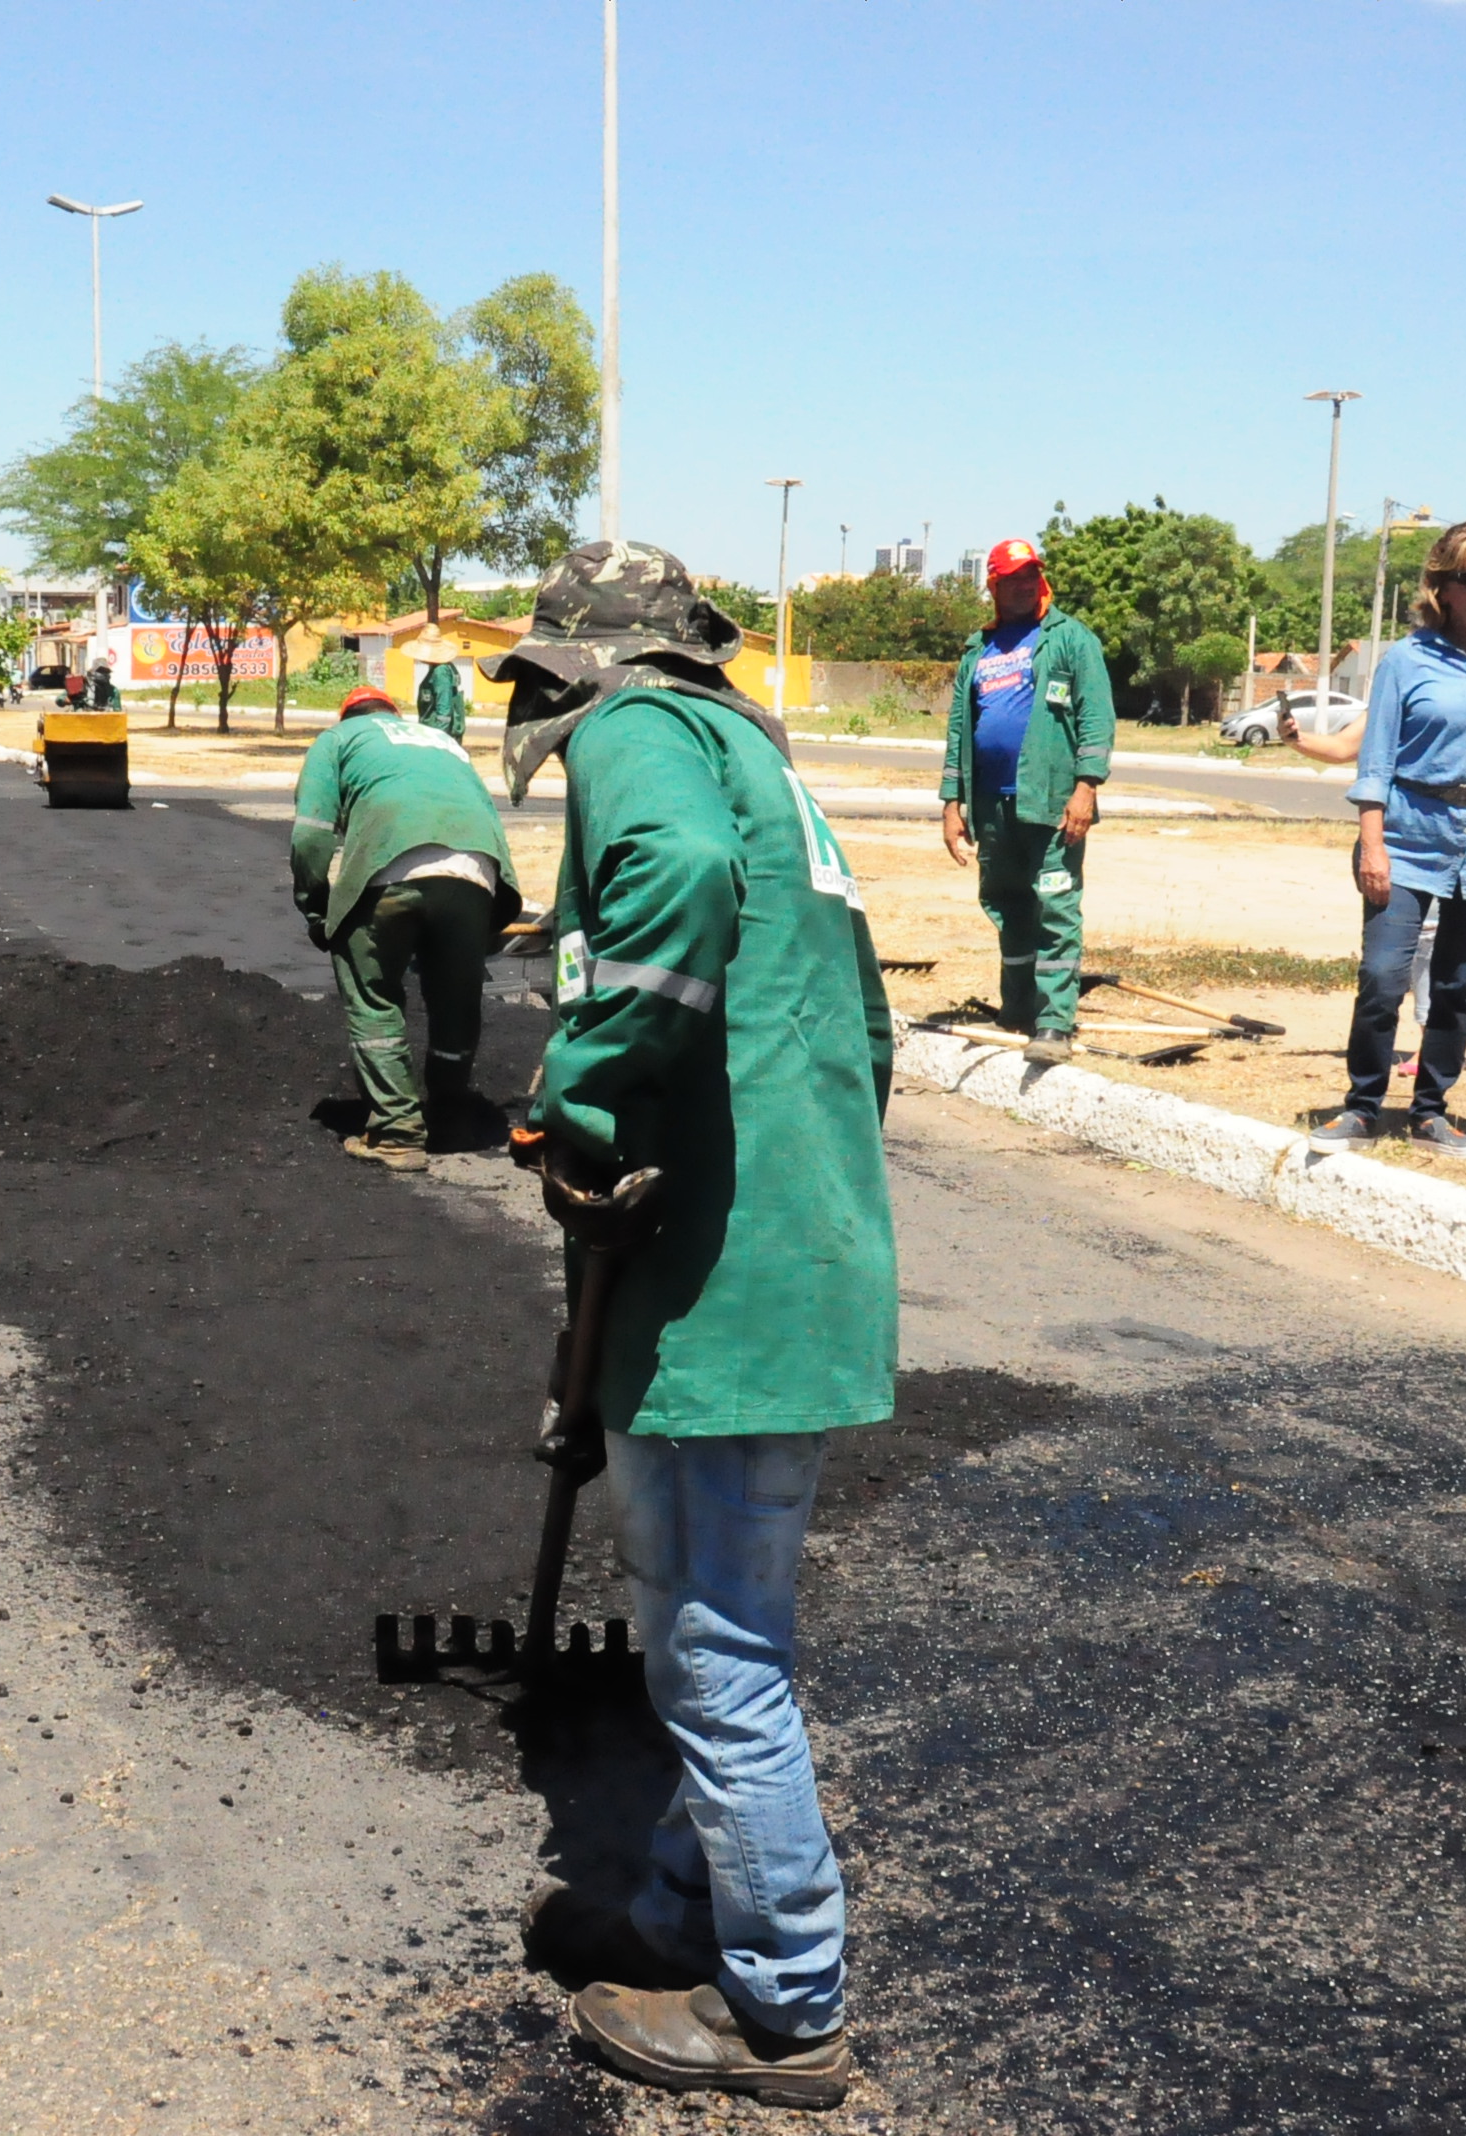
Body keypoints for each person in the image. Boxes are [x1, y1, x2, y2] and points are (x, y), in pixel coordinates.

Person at [486, 540, 890, 2109]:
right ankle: (673, 1913)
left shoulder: (641, 732)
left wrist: (583, 1101)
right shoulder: (755, 756)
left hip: (726, 1279)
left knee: (719, 1655)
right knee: (706, 1632)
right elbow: (857, 1018)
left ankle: (785, 2006)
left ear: (583, 664)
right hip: (783, 1252)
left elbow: (675, 886)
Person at [1303, 522, 1466, 1157]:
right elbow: (1376, 763)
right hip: (1410, 838)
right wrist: (1373, 845)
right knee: (1382, 978)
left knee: (1457, 985)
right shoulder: (1406, 660)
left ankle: (1431, 1111)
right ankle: (1362, 1106)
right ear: (1441, 587)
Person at [289, 683, 518, 1170]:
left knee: (373, 994)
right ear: (394, 712)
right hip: (476, 871)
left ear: (347, 714)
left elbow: (310, 836)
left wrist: (316, 909)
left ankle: (397, 1131)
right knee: (456, 999)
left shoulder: (339, 739)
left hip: (388, 867)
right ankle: (451, 1117)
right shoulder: (443, 742)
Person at [1283, 704, 1466, 1082]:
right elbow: (1344, 747)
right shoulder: (1411, 683)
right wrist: (1295, 738)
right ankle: (1429, 1038)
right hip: (1425, 834)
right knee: (1428, 939)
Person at [937, 537, 1112, 1065]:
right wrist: (952, 801)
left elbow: (1096, 717)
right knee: (1007, 903)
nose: (1023, 584)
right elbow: (957, 728)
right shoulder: (978, 648)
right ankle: (1017, 1009)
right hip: (992, 805)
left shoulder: (1070, 639)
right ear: (993, 584)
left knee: (1055, 902)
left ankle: (1055, 1023)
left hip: (1053, 801)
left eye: (1030, 575)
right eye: (1011, 577)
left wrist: (1086, 785)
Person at [409, 629, 470, 741]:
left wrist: (438, 739)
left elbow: (444, 711)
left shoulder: (440, 672)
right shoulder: (439, 669)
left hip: (441, 735)